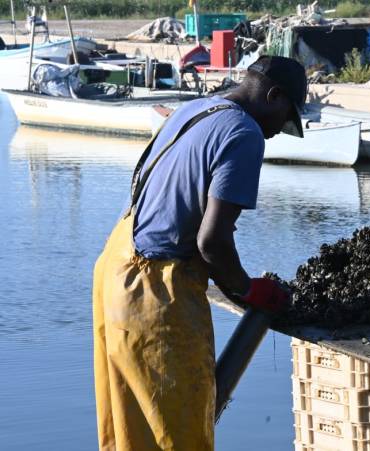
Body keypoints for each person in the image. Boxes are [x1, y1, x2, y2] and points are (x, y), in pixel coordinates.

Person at [92, 56, 307, 451]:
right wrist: (248, 290)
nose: (279, 131)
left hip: (115, 268)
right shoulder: (244, 134)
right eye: (286, 117)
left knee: (130, 434)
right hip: (154, 292)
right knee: (179, 436)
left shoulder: (194, 108)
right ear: (273, 95)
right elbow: (213, 242)